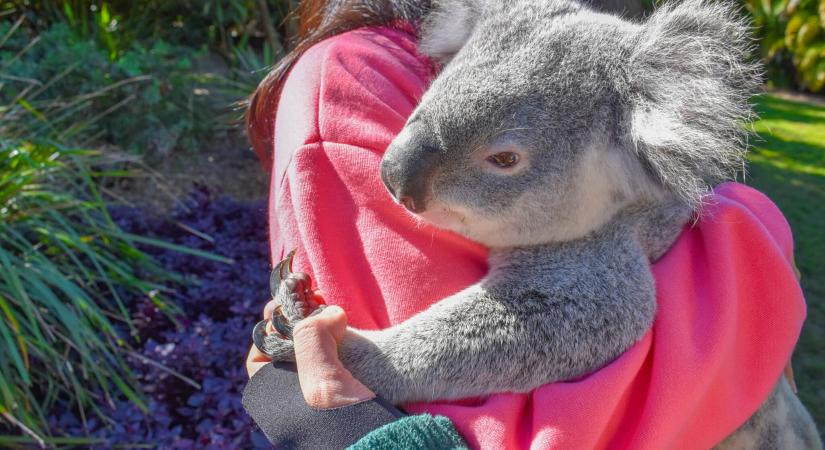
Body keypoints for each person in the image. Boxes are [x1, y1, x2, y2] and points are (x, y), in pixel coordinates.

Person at [243, 1, 807, 448]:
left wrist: (372, 366)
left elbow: (581, 309)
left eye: (505, 159)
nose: (401, 175)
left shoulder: (606, 118)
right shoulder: (360, 79)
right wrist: (747, 252)